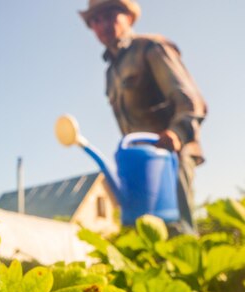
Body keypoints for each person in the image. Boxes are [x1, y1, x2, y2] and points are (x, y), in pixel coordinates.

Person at [79, 0, 207, 235]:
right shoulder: (111, 72)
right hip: (139, 166)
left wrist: (176, 134)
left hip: (170, 158)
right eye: (95, 20)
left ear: (127, 16)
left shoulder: (150, 48)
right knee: (143, 241)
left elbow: (192, 102)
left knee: (177, 233)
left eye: (109, 15)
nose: (102, 24)